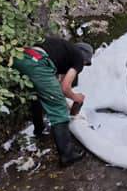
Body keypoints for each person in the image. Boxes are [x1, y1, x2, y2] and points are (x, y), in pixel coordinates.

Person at [14, 37, 94, 166]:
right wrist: (75, 97)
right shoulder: (78, 58)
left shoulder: (62, 50)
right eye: (85, 63)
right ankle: (68, 155)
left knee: (37, 96)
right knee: (59, 110)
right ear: (85, 58)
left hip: (22, 56)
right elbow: (65, 87)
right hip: (38, 64)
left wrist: (62, 96)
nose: (83, 66)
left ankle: (39, 130)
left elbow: (57, 84)